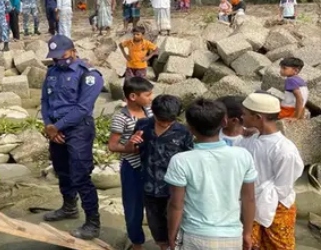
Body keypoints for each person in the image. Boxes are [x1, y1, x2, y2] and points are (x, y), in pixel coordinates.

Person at [165, 99, 257, 250]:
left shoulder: (180, 161)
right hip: (231, 235)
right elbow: (249, 198)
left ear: (190, 128)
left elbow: (176, 204)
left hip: (194, 235)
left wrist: (171, 235)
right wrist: (247, 233)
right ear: (224, 121)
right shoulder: (243, 155)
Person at [41, 35, 104, 240]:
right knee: (62, 171)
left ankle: (92, 223)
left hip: (78, 129)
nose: (59, 60)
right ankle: (69, 207)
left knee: (80, 175)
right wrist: (50, 126)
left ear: (73, 51)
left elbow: (83, 108)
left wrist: (56, 127)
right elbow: (45, 102)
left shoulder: (89, 75)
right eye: (55, 57)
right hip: (55, 129)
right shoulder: (51, 73)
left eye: (62, 56)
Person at [125, 95, 193, 250]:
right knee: (155, 225)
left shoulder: (183, 133)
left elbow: (191, 159)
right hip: (149, 186)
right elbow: (133, 149)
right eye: (161, 120)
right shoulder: (143, 126)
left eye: (169, 120)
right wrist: (132, 143)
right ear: (153, 113)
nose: (165, 123)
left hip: (174, 189)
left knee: (176, 224)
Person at [237, 92, 304, 250]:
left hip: (278, 207)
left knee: (279, 246)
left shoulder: (284, 150)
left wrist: (257, 201)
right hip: (251, 203)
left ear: (258, 118)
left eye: (245, 114)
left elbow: (283, 188)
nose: (241, 116)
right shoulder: (250, 140)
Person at [107, 77, 154, 250]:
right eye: (147, 94)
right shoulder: (121, 117)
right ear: (133, 96)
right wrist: (129, 148)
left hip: (150, 165)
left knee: (154, 204)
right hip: (132, 167)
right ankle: (137, 243)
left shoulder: (149, 111)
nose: (151, 98)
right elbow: (112, 145)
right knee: (133, 208)